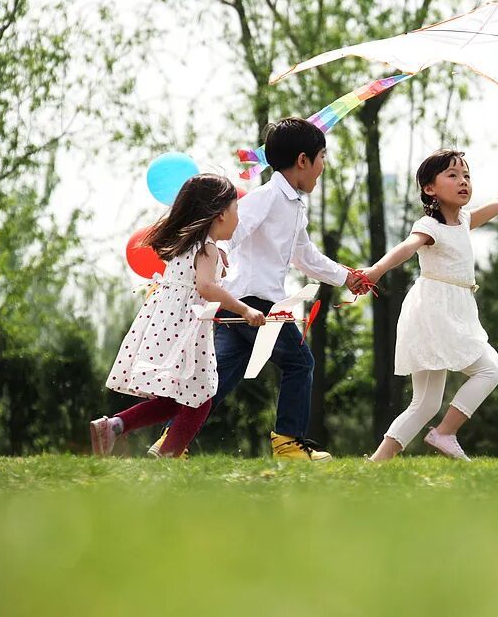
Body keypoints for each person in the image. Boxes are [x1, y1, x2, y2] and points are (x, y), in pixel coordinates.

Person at [147, 118, 368, 461]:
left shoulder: (293, 204)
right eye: (322, 157)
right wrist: (216, 256)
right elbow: (230, 230)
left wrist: (345, 276)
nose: (323, 166)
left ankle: (171, 442)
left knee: (215, 380)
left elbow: (303, 255)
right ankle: (288, 442)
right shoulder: (266, 197)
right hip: (254, 300)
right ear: (302, 161)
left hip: (243, 302)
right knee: (300, 363)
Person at [362, 149, 498, 461]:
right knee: (488, 371)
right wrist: (374, 272)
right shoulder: (430, 226)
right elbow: (405, 248)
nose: (463, 181)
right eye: (452, 175)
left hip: (453, 309)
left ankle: (375, 465)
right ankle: (444, 433)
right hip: (435, 311)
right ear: (430, 188)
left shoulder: (464, 221)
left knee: (425, 403)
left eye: (466, 175)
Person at [91, 174, 265, 457]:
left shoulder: (185, 245)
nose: (239, 218)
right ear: (220, 214)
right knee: (202, 397)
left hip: (164, 325)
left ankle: (115, 425)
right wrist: (244, 308)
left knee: (180, 398)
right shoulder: (207, 248)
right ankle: (167, 455)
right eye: (236, 210)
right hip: (185, 331)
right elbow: (206, 287)